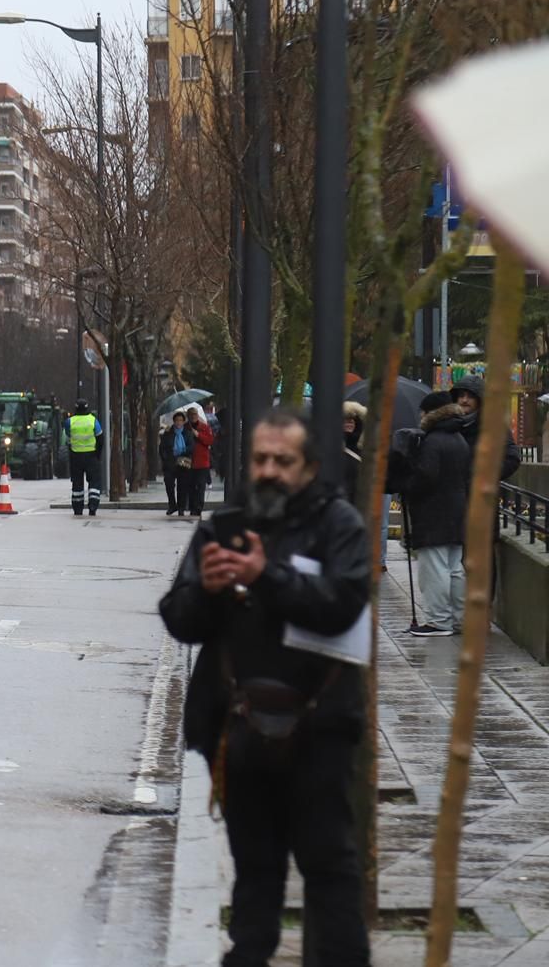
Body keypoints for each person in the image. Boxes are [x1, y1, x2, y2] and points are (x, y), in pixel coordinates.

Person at [159, 408, 371, 967]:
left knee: (330, 870)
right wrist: (206, 589)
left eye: (284, 460)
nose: (271, 470)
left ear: (308, 467)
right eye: (261, 459)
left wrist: (265, 577)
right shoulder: (223, 528)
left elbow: (344, 604)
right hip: (237, 733)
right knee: (255, 876)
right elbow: (180, 620)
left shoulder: (338, 525)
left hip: (320, 732)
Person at [404, 391, 472, 638]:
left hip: (433, 513)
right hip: (456, 510)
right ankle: (457, 618)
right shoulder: (458, 438)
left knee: (434, 569)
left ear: (430, 413)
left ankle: (438, 620)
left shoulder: (433, 441)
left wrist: (408, 479)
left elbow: (425, 476)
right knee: (454, 568)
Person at [452, 375, 522, 482]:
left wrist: (484, 476)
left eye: (470, 396)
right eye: (461, 396)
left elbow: (512, 458)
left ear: (479, 400)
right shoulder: (449, 423)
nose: (464, 400)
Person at [67, 398, 103, 517]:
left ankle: (78, 508)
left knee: (77, 483)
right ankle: (93, 506)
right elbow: (100, 438)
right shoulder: (93, 421)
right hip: (91, 456)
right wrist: (98, 454)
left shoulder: (70, 422)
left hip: (76, 456)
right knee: (94, 482)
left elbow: (67, 435)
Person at [160, 410, 194, 516]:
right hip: (170, 462)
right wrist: (165, 458)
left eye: (180, 420)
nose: (178, 422)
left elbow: (192, 447)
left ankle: (181, 507)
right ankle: (172, 505)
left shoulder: (188, 433)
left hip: (183, 462)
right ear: (174, 421)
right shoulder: (168, 433)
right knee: (169, 484)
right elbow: (162, 448)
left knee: (182, 486)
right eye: (176, 420)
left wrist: (183, 450)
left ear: (184, 422)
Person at [186, 403, 217, 517]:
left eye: (195, 414)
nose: (193, 416)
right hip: (189, 463)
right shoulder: (186, 428)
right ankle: (192, 507)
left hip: (202, 463)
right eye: (191, 414)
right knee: (191, 487)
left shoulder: (204, 427)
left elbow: (209, 441)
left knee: (200, 486)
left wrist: (198, 434)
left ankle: (199, 507)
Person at [342, 401, 367, 502]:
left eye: (352, 419)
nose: (350, 422)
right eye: (346, 419)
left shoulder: (364, 448)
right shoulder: (331, 447)